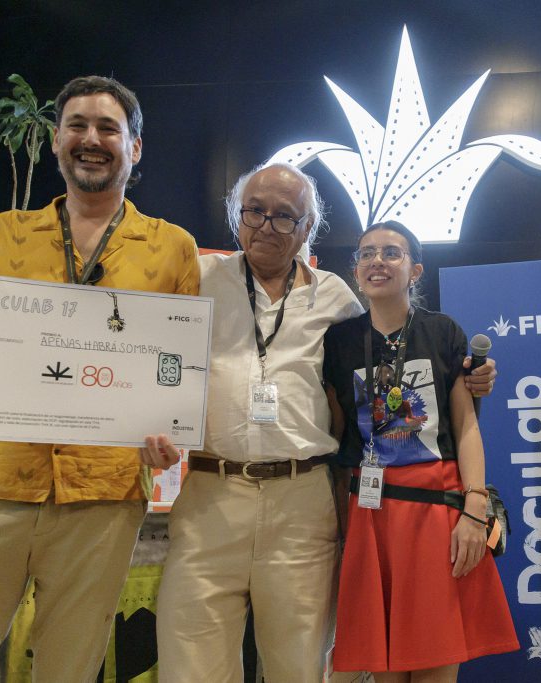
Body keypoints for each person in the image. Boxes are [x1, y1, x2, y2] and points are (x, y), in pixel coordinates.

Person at [0, 75, 200, 683]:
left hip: (103, 498)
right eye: (77, 125)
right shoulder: (0, 235)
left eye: (108, 128)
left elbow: (176, 371)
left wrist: (169, 436)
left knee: (69, 669)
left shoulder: (172, 248)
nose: (92, 139)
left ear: (134, 147)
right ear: (57, 139)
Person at [141, 164, 496, 682]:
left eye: (285, 216)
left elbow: (361, 401)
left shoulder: (336, 300)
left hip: (303, 499)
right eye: (255, 211)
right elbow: (146, 348)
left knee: (303, 667)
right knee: (191, 665)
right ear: (236, 218)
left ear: (308, 228)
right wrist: (146, 423)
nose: (267, 225)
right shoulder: (195, 279)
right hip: (210, 496)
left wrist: (475, 377)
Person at [322, 221, 519, 681]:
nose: (377, 261)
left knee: (436, 659)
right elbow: (337, 433)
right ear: (356, 270)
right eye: (366, 253)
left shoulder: (442, 332)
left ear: (415, 270)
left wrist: (475, 508)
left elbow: (466, 425)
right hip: (371, 515)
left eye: (391, 252)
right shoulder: (339, 341)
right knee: (384, 666)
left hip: (437, 511)